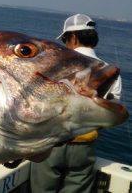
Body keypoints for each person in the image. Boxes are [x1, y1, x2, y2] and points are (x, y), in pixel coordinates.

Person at [30, 13, 122, 193]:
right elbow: (111, 111)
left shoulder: (55, 65)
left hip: (51, 145)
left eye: (65, 39)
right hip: (84, 148)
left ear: (72, 37)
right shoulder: (109, 71)